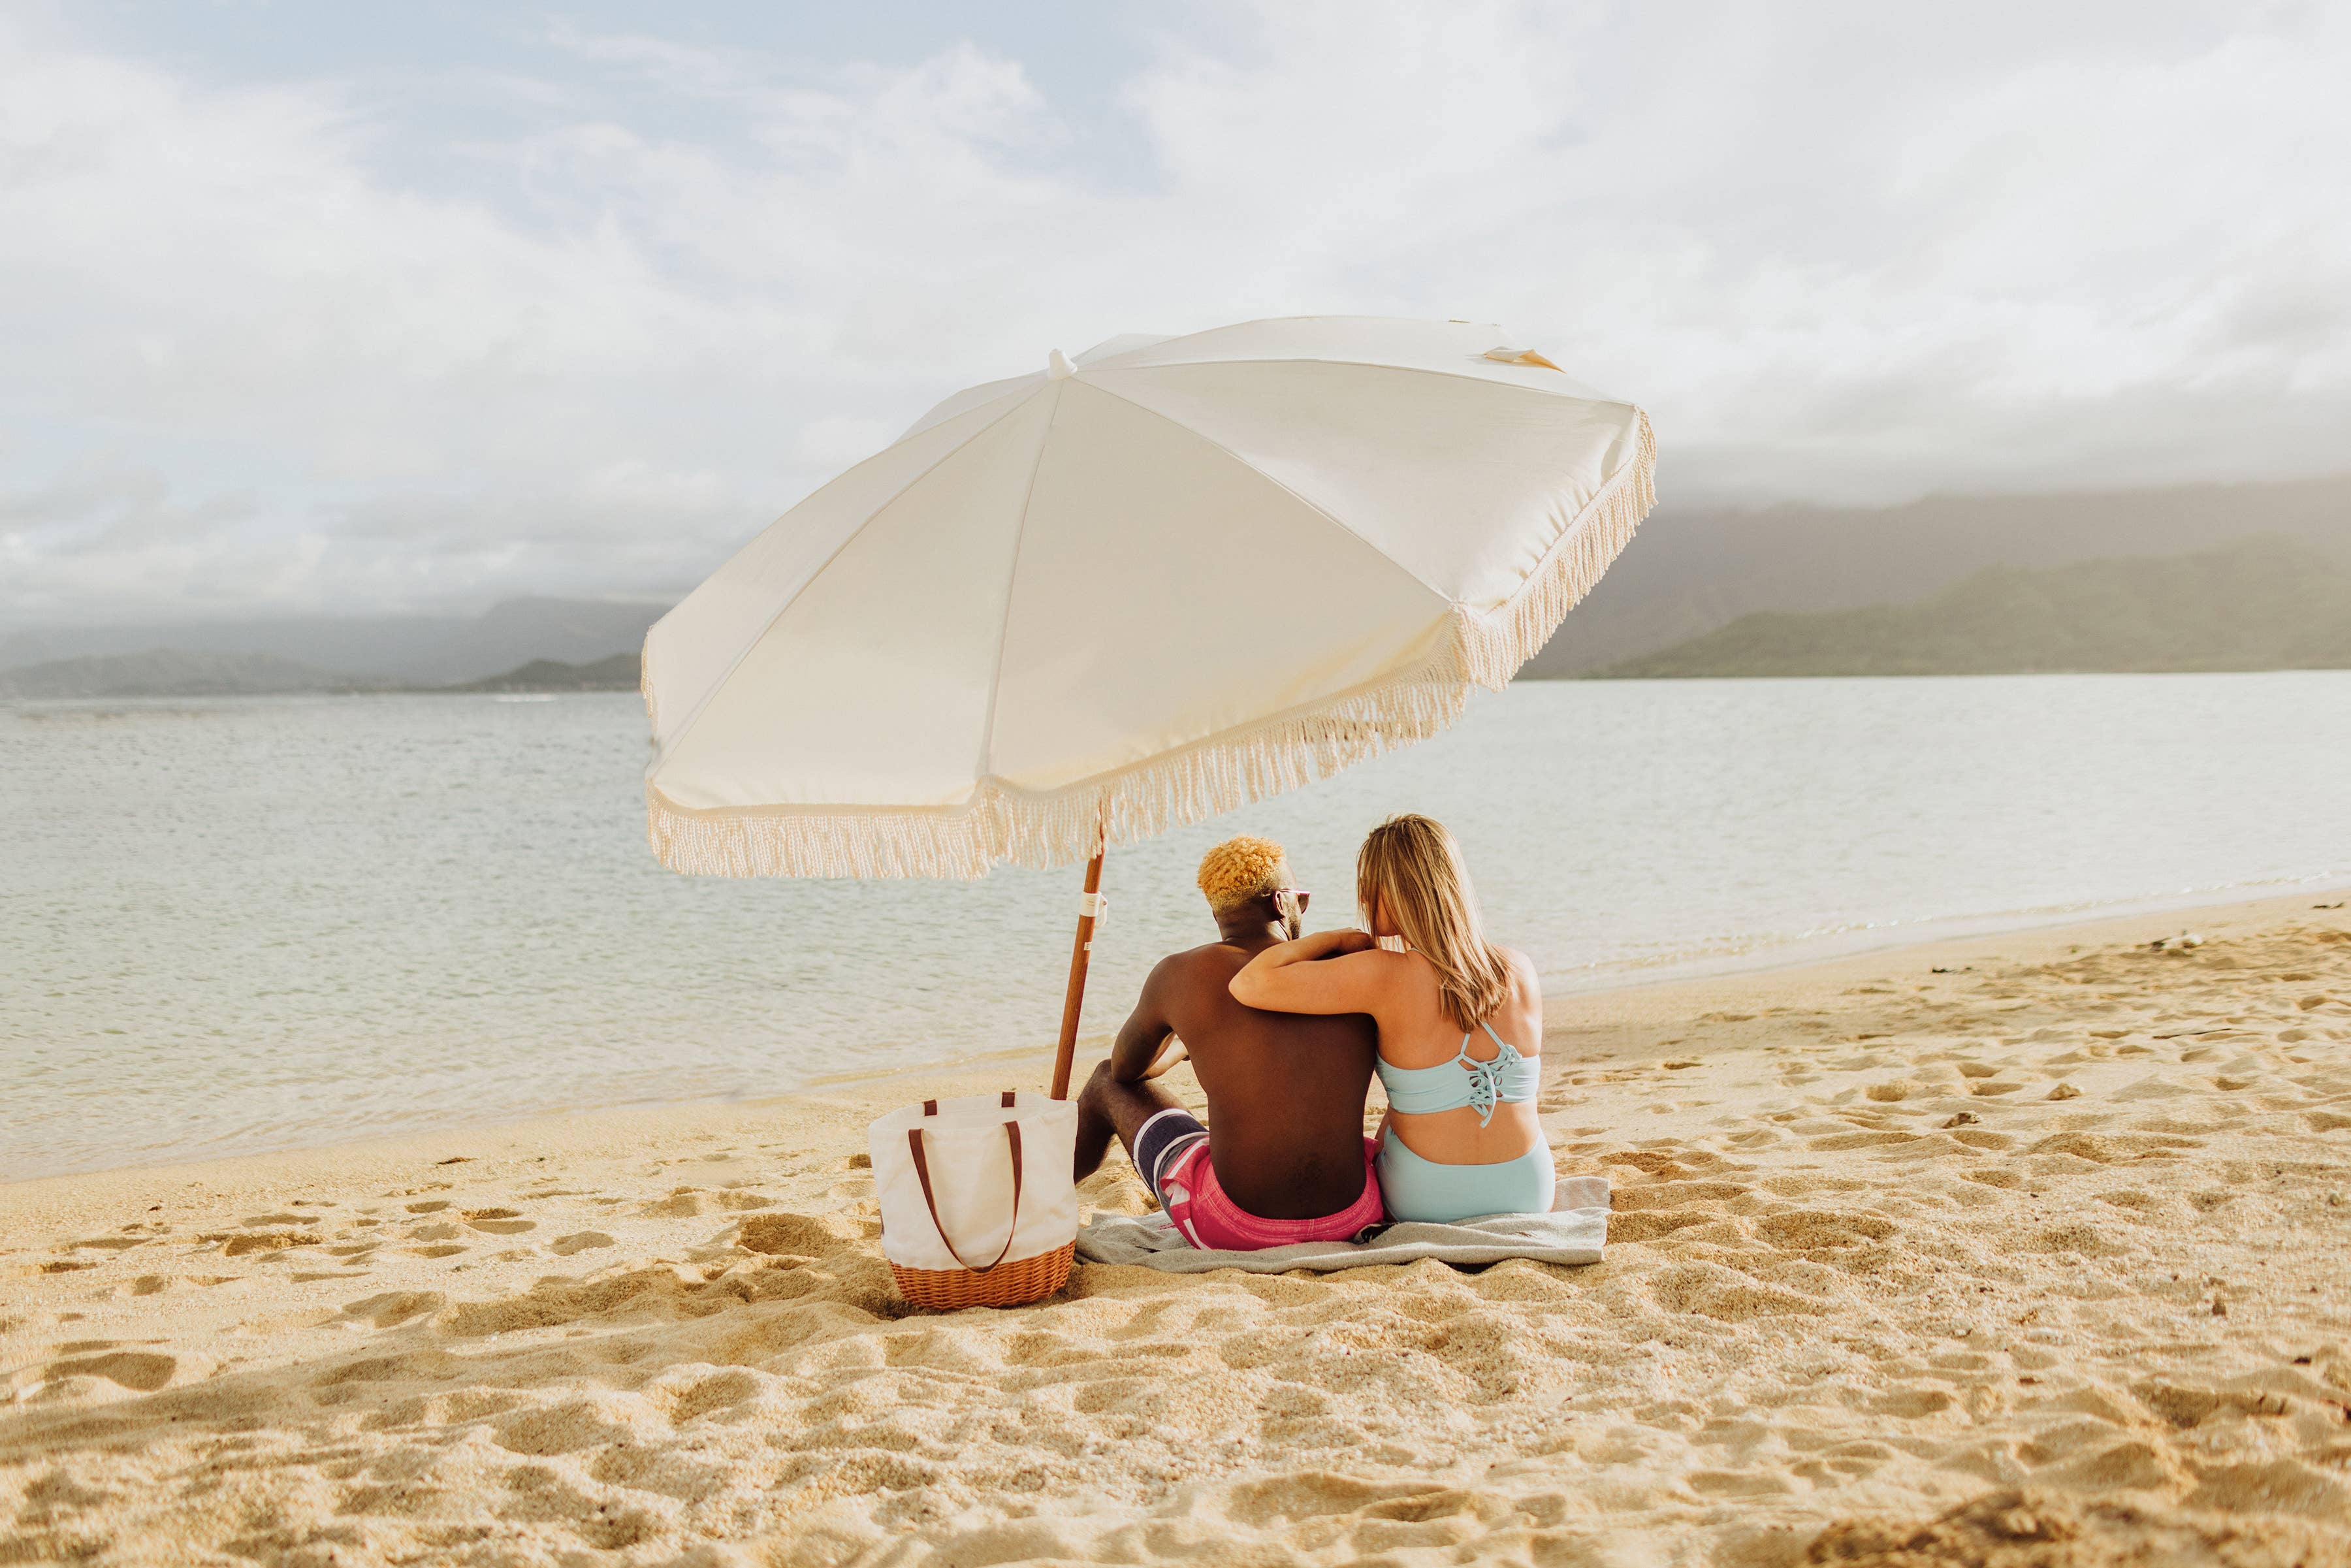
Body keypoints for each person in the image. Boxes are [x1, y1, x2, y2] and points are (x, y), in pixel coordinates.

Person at [1230, 813, 1552, 1223]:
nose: (1363, 899)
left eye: (1370, 887)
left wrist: (1336, 938)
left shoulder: (1383, 972)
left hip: (1430, 1199)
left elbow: (1249, 982)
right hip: (1528, 1187)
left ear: (1399, 891)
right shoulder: (1520, 969)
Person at [1071, 835, 1383, 1249]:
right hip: (1355, 1214)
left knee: (1103, 1082)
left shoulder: (1179, 975)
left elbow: (1125, 1069)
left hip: (1238, 1228)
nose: (1303, 910)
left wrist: (1188, 1039)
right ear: (1280, 903)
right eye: (1301, 900)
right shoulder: (1348, 970)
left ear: (1218, 912)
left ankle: (1039, 1199)